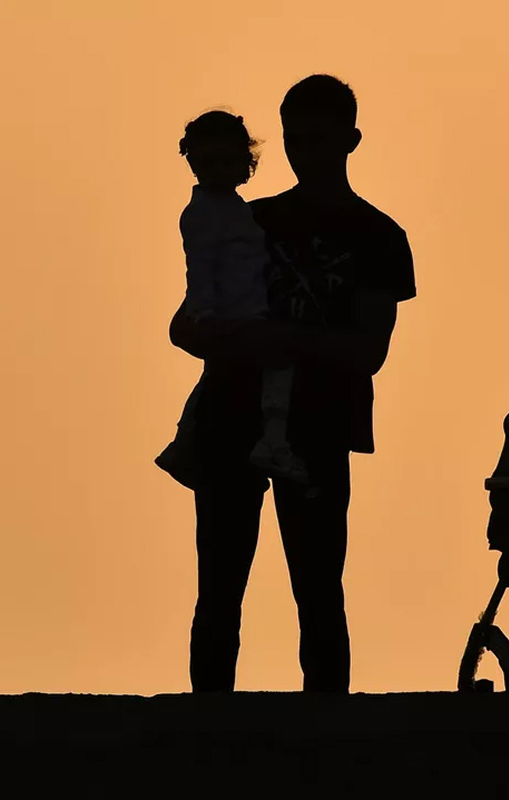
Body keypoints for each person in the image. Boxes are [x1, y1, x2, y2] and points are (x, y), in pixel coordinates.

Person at [160, 75, 416, 694]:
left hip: (319, 428)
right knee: (220, 590)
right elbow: (185, 325)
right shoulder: (248, 220)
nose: (304, 152)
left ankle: (322, 730)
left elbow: (369, 352)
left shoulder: (379, 237)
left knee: (318, 591)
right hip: (232, 420)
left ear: (351, 139)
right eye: (295, 139)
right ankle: (208, 728)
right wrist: (238, 339)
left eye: (317, 138)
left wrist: (278, 341)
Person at [159, 110, 308, 486]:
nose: (219, 171)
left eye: (227, 161)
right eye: (210, 162)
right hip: (232, 315)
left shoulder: (239, 211)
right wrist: (206, 315)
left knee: (245, 371)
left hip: (248, 311)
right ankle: (271, 440)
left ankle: (189, 442)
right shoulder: (203, 214)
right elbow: (200, 266)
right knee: (275, 360)